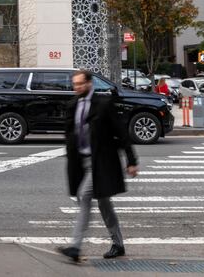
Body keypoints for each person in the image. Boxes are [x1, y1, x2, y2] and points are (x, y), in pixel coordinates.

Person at [58, 70, 139, 264]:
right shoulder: (72, 105)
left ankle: (75, 247)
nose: (76, 88)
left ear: (89, 83)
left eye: (79, 84)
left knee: (84, 196)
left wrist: (131, 160)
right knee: (103, 203)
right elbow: (70, 133)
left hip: (101, 162)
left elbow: (121, 132)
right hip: (81, 162)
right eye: (74, 84)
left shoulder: (103, 104)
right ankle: (118, 244)